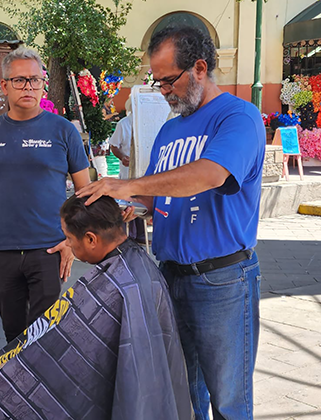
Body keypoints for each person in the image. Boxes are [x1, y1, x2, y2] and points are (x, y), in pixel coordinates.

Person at [77, 26, 264, 420]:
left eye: (167, 80)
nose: (161, 90)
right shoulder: (169, 129)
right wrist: (125, 202)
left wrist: (131, 182)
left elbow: (210, 175)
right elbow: (157, 194)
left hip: (222, 280)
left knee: (229, 400)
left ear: (199, 68)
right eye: (156, 81)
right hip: (169, 276)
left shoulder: (238, 117)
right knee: (181, 393)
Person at [0, 195, 192, 420]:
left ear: (91, 239)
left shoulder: (119, 285)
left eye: (69, 239)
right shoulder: (136, 267)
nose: (68, 245)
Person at [0, 47, 90, 343]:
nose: (28, 87)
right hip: (4, 249)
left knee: (43, 334)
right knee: (13, 333)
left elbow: (85, 191)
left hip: (48, 249)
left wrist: (72, 241)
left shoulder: (62, 131)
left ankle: (44, 389)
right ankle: (13, 387)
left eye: (35, 80)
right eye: (19, 80)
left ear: (43, 84)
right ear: (4, 86)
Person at [108, 98, 146, 243]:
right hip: (127, 173)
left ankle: (140, 235)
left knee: (142, 203)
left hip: (144, 173)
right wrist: (123, 157)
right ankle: (127, 236)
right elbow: (114, 145)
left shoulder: (147, 123)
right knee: (129, 204)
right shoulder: (123, 124)